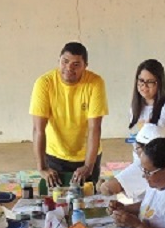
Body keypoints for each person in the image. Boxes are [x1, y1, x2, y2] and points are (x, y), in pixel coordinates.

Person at [100, 59, 165, 200]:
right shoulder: (135, 108)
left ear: (159, 82)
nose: (144, 86)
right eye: (141, 81)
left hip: (159, 168)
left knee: (108, 188)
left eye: (150, 82)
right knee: (144, 207)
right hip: (141, 166)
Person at [30, 42, 109, 187]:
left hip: (88, 156)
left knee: (88, 203)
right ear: (58, 60)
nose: (69, 68)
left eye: (76, 64)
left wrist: (88, 166)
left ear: (85, 66)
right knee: (57, 203)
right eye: (65, 62)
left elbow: (95, 128)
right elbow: (38, 129)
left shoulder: (95, 83)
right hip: (55, 155)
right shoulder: (44, 83)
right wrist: (42, 167)